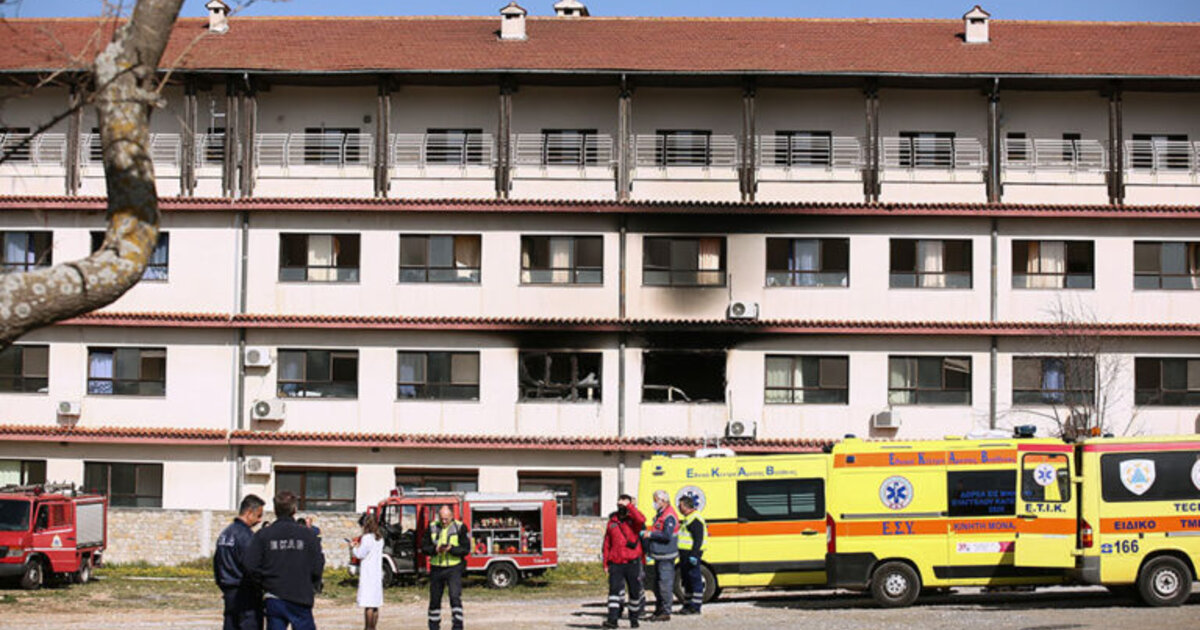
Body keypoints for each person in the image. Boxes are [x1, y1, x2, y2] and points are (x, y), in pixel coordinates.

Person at [245, 490, 326, 630]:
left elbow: (250, 565)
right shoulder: (308, 535)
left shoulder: (263, 535)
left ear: (275, 510)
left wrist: (263, 584)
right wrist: (312, 584)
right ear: (294, 509)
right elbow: (318, 565)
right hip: (301, 596)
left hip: (274, 596)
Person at [214, 494, 266, 630]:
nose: (260, 520)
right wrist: (261, 586)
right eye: (258, 516)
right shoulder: (246, 536)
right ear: (249, 513)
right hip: (246, 594)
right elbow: (252, 566)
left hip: (229, 592)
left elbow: (217, 564)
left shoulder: (225, 534)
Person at [422, 505, 470, 630]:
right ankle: (433, 627)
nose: (444, 521)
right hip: (436, 568)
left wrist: (451, 549)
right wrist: (435, 549)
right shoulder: (432, 527)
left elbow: (466, 549)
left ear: (452, 516)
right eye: (441, 518)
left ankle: (457, 627)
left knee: (455, 597)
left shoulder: (460, 527)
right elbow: (424, 548)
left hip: (454, 568)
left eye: (446, 519)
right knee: (434, 600)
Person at [602, 494, 646, 629]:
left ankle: (634, 619)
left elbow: (641, 519)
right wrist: (605, 563)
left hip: (632, 562)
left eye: (623, 505)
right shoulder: (612, 522)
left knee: (634, 592)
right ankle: (612, 620)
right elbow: (607, 544)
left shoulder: (633, 521)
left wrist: (630, 506)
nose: (621, 507)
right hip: (616, 563)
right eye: (619, 504)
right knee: (614, 593)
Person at [640, 490, 678, 622]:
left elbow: (667, 535)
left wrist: (650, 535)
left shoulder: (669, 516)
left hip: (666, 555)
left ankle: (665, 612)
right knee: (657, 585)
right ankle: (659, 610)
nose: (654, 503)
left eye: (656, 500)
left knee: (665, 585)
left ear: (664, 501)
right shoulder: (661, 514)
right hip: (659, 555)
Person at [675, 495, 707, 615]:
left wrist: (694, 554)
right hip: (685, 554)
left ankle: (695, 606)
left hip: (691, 554)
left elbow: (698, 539)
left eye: (680, 505)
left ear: (686, 506)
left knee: (694, 579)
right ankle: (687, 604)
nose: (679, 508)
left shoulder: (695, 519)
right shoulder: (688, 518)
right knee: (687, 580)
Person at [352, 513, 385, 630]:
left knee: (368, 604)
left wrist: (353, 547)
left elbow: (360, 554)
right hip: (376, 573)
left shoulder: (366, 538)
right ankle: (373, 627)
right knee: (375, 604)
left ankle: (368, 627)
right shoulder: (380, 539)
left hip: (368, 574)